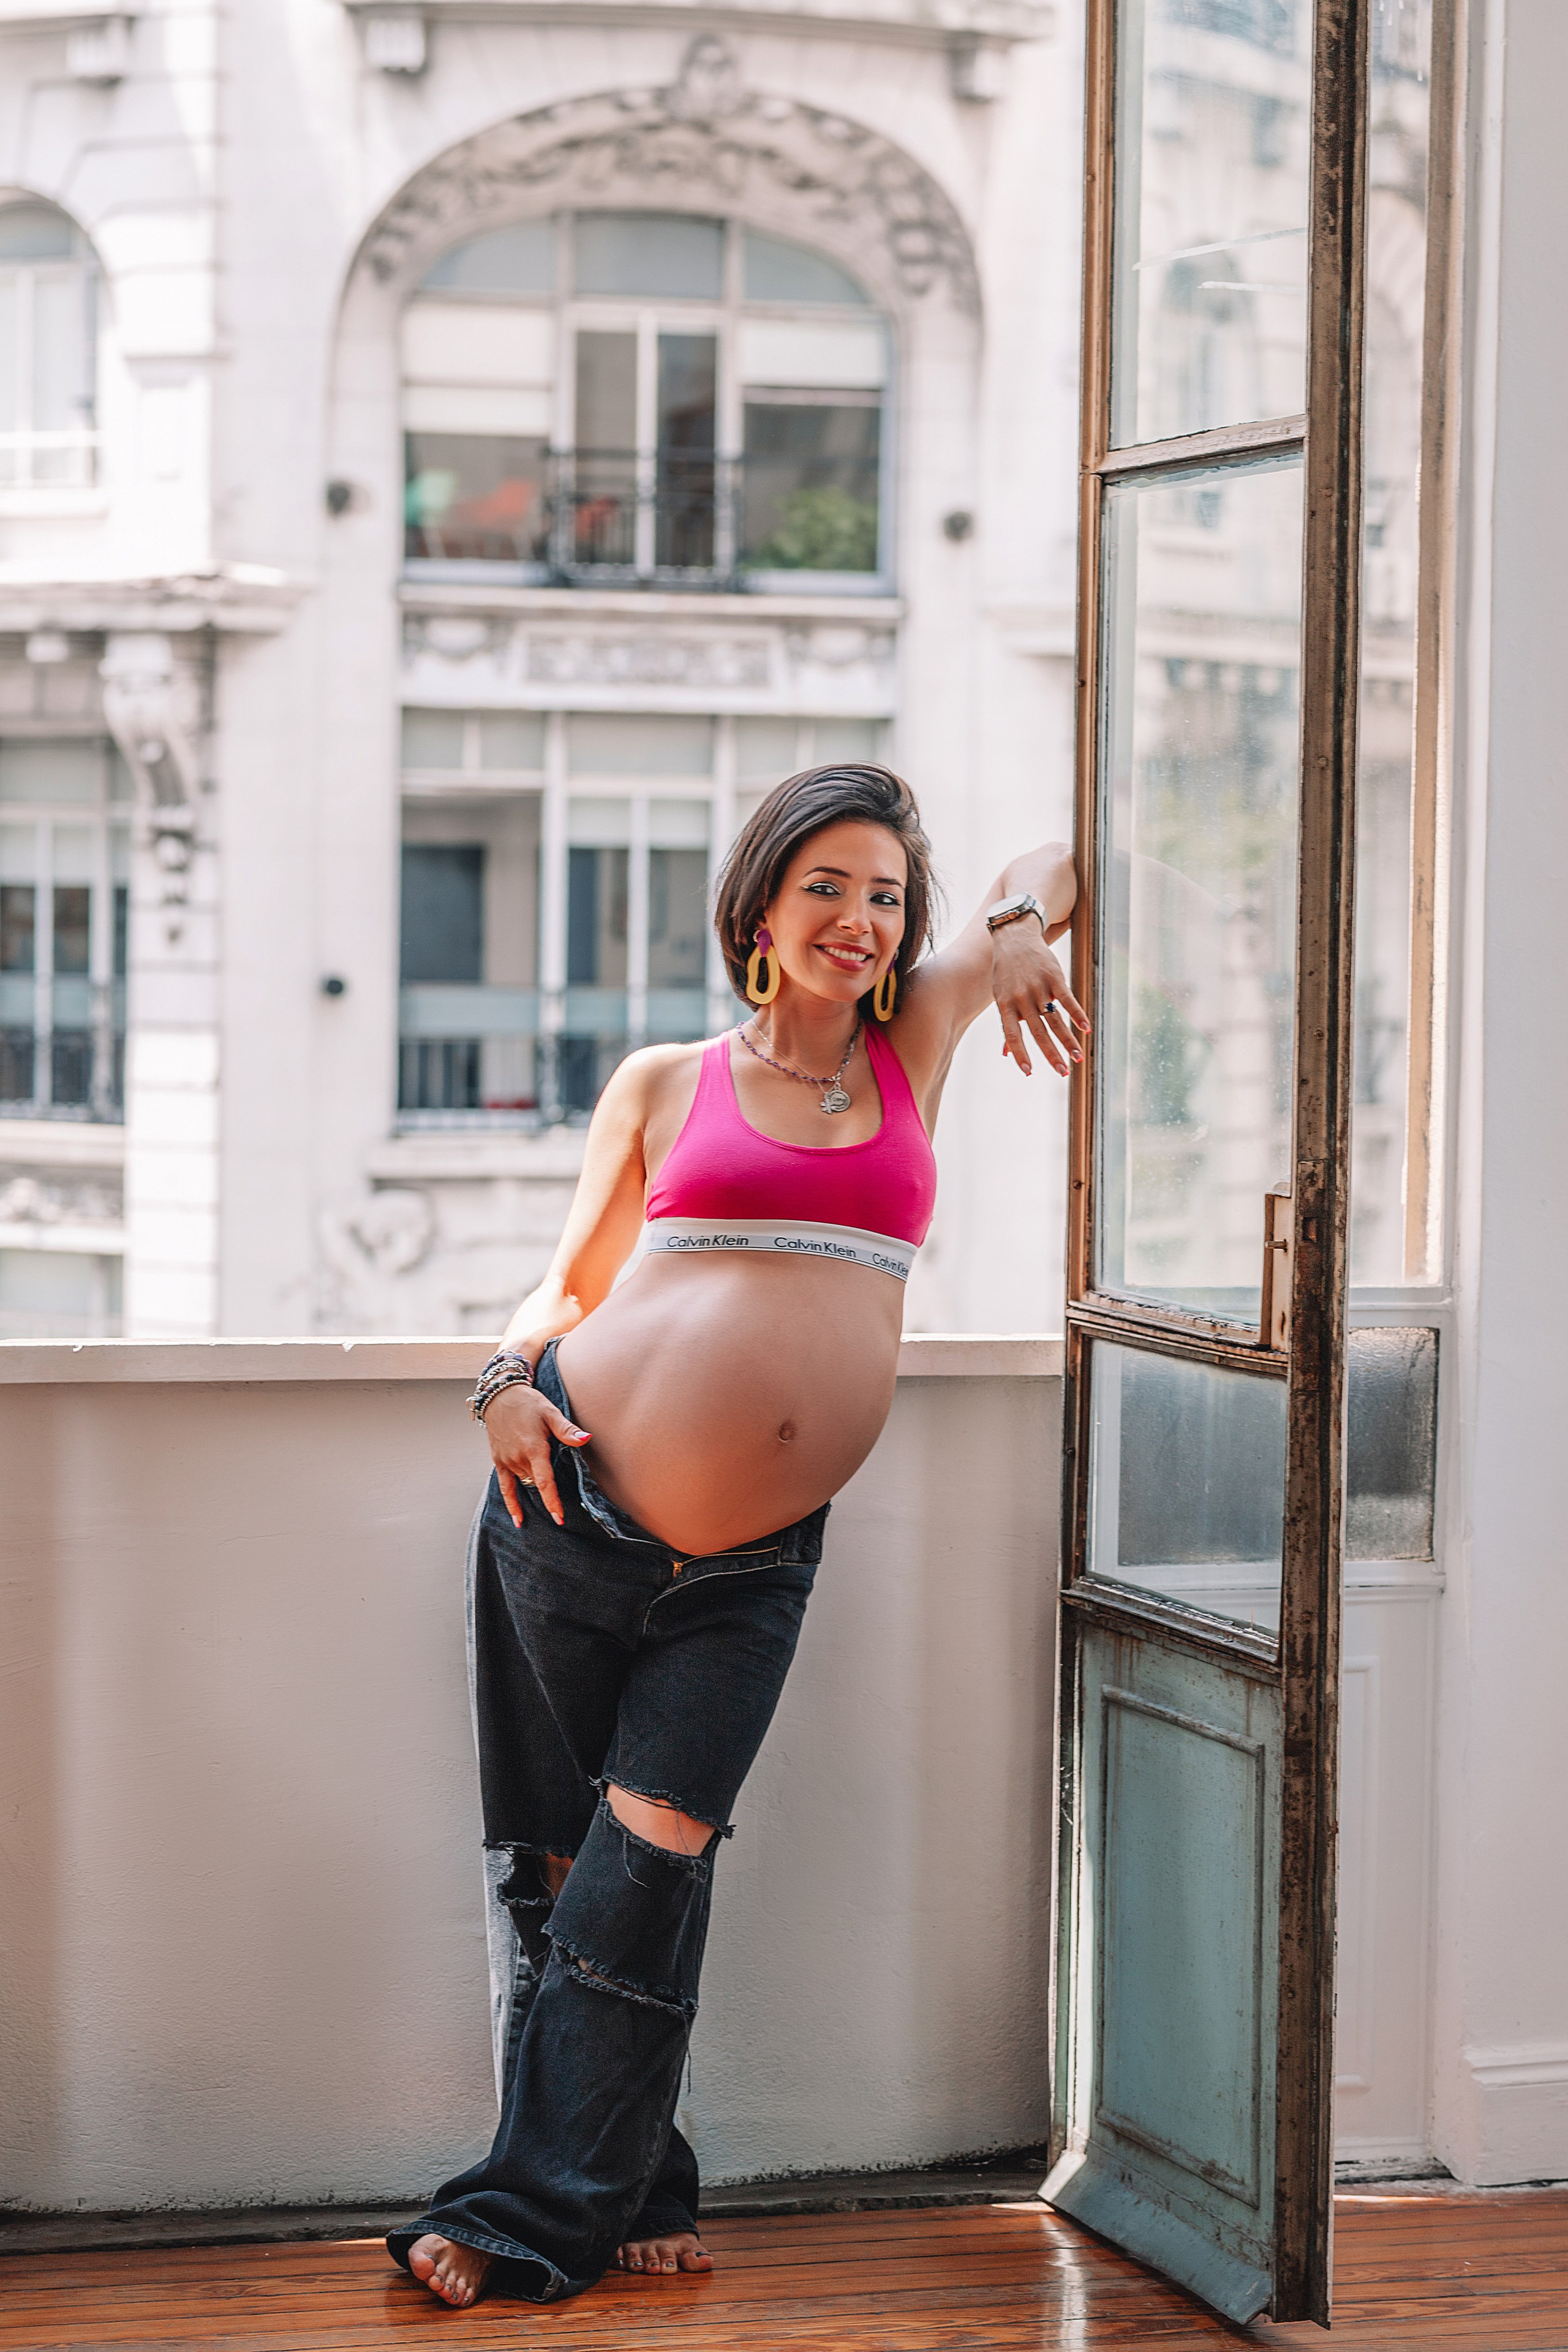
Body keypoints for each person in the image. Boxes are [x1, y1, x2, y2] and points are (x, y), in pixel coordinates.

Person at [388, 762, 1084, 2310]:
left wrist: (1020, 922)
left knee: (653, 1851)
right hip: (562, 1509)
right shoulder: (660, 1081)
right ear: (761, 905)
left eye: (887, 894)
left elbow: (1061, 843)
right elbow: (565, 1284)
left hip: (750, 1569)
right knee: (565, 1864)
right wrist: (502, 1380)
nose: (858, 917)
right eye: (825, 886)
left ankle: (526, 2215)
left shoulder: (911, 1046)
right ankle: (634, 2176)